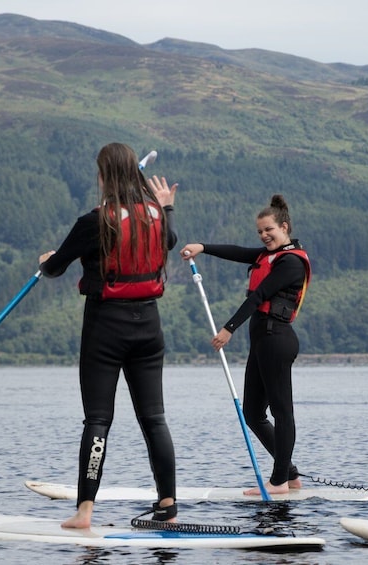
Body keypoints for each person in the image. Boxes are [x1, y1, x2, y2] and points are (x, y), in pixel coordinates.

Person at [39, 142, 179, 528]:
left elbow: (56, 268)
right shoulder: (156, 216)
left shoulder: (95, 221)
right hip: (149, 327)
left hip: (106, 327)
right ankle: (167, 503)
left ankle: (85, 511)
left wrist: (46, 261)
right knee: (154, 418)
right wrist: (165, 205)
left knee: (98, 420)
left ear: (104, 176)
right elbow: (170, 239)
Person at [180, 194, 311, 496]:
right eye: (260, 232)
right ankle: (289, 473)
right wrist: (203, 247)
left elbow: (258, 296)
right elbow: (238, 252)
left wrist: (228, 329)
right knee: (252, 413)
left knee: (282, 412)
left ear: (284, 227)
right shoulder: (268, 256)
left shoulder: (291, 262)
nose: (264, 236)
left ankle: (278, 481)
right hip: (262, 340)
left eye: (270, 230)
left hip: (277, 339)